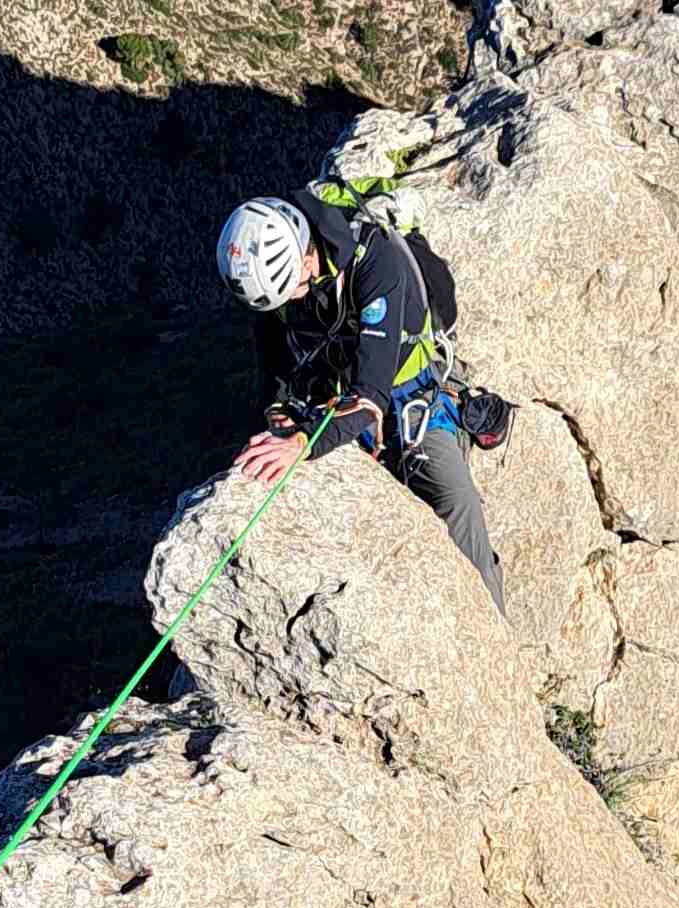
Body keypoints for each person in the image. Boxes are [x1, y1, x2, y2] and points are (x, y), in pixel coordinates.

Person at [216, 191, 505, 617]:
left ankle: (491, 626)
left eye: (294, 288)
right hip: (333, 395)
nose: (295, 301)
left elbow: (371, 396)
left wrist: (302, 444)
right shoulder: (276, 287)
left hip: (410, 394)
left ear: (306, 254)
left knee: (457, 499)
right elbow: (276, 375)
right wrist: (279, 419)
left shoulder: (376, 261)